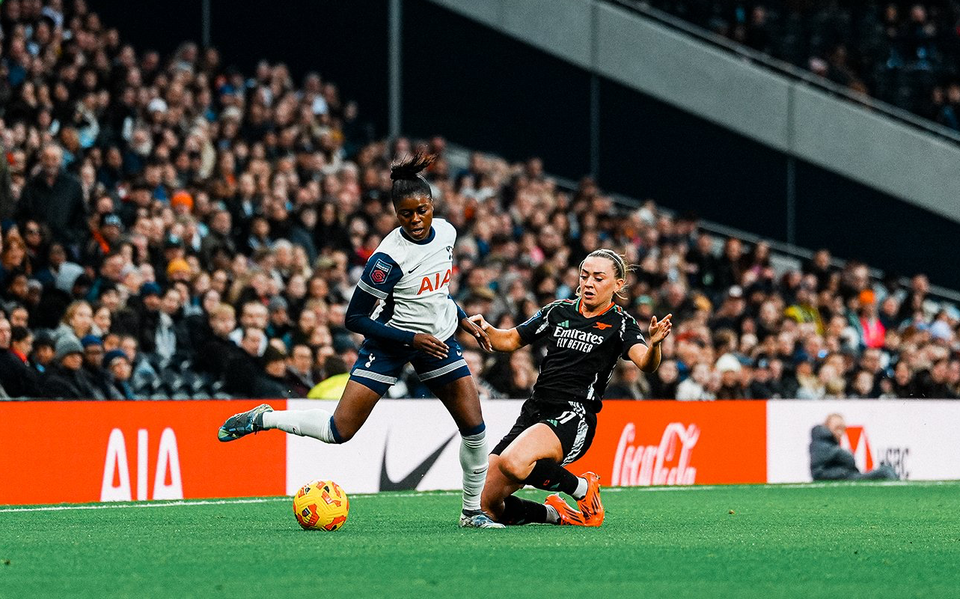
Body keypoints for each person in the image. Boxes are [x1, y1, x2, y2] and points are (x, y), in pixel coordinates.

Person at [217, 153, 501, 528]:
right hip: (391, 341)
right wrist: (410, 338)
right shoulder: (386, 260)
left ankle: (471, 513)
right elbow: (355, 318)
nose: (415, 220)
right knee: (340, 431)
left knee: (475, 429)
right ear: (395, 214)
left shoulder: (447, 233)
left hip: (436, 339)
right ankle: (265, 417)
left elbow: (438, 293)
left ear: (432, 205)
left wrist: (464, 320)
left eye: (421, 210)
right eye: (405, 214)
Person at [468, 249, 673, 527]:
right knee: (486, 505)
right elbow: (511, 340)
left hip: (574, 415)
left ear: (618, 284)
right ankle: (556, 515)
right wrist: (485, 329)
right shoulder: (558, 311)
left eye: (598, 278)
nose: (588, 283)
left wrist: (656, 344)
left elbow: (645, 363)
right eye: (584, 276)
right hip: (535, 411)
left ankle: (583, 489)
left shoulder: (621, 323)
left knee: (514, 463)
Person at [809, 414, 898, 481]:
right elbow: (818, 472)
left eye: (842, 428)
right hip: (845, 477)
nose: (840, 432)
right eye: (837, 428)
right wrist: (844, 470)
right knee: (886, 471)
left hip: (844, 476)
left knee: (886, 470)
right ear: (827, 427)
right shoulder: (822, 443)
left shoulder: (824, 442)